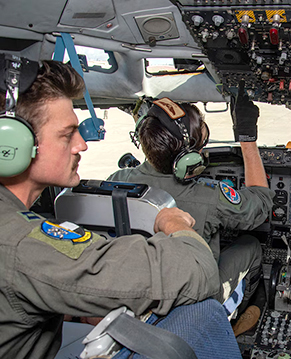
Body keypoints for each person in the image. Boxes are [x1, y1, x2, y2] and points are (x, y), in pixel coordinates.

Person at [0, 59, 221, 357]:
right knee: (202, 313)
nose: (82, 145)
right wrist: (172, 221)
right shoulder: (20, 243)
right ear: (9, 144)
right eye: (67, 135)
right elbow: (198, 269)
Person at [107, 93, 269, 333]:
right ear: (188, 158)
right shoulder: (209, 195)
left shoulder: (117, 181)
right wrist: (247, 139)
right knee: (251, 246)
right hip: (192, 301)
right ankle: (227, 321)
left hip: (136, 293)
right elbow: (260, 205)